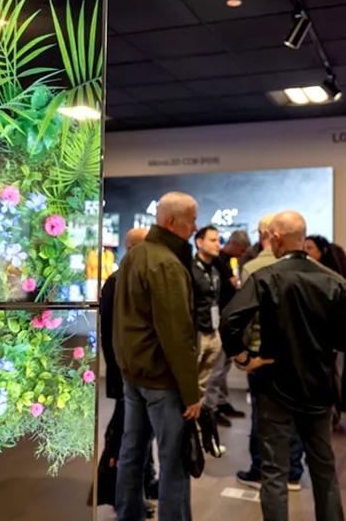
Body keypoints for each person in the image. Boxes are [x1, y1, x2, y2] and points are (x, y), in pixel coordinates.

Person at [220, 211, 346, 521]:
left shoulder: (266, 277)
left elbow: (229, 321)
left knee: (273, 472)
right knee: (323, 468)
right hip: (319, 386)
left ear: (276, 238)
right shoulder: (333, 280)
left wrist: (243, 358)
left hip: (274, 386)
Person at [114, 192, 201, 521]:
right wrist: (191, 392)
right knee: (174, 462)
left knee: (131, 453)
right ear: (172, 221)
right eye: (192, 220)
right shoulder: (166, 263)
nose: (195, 227)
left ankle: (128, 514)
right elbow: (176, 334)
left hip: (134, 375)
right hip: (161, 380)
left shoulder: (135, 256)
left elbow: (122, 318)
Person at [234, 214, 306, 492]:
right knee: (295, 413)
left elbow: (243, 316)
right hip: (297, 352)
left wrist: (243, 356)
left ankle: (260, 470)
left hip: (262, 351)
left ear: (266, 234)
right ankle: (293, 471)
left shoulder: (253, 268)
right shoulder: (312, 270)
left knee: (263, 415)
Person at [96, 228, 157, 515]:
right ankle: (126, 498)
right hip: (126, 376)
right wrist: (120, 376)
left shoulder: (130, 279)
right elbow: (112, 336)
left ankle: (144, 485)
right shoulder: (117, 282)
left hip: (132, 375)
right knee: (127, 438)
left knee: (138, 435)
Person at [304, 235, 346, 429]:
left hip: (328, 339)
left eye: (309, 248)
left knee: (332, 375)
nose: (305, 252)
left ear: (322, 252)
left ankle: (331, 415)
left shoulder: (333, 280)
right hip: (313, 338)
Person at [209, 229, 252, 422]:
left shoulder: (228, 263)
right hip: (218, 320)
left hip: (226, 320)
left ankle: (220, 402)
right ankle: (212, 407)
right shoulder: (217, 262)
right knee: (217, 368)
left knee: (223, 366)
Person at [191, 225, 226, 456]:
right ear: (199, 242)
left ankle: (203, 436)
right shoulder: (190, 269)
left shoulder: (215, 269)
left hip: (213, 332)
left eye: (218, 240)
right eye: (213, 240)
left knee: (203, 386)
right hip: (197, 334)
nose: (217, 244)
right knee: (191, 388)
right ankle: (191, 436)